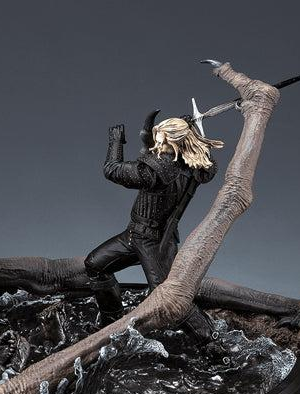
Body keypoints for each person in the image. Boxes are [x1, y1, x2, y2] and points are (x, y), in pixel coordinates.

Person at [85, 115, 223, 330]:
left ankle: (209, 339)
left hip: (156, 243)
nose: (156, 138)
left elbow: (112, 169)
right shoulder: (194, 165)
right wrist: (190, 131)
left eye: (161, 135)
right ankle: (112, 322)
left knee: (167, 298)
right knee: (95, 265)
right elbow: (208, 165)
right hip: (133, 235)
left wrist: (115, 141)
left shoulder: (157, 171)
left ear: (169, 140)